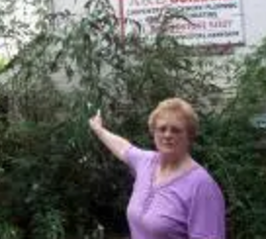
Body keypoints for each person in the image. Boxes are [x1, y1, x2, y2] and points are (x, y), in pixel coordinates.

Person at [89, 97, 226, 239]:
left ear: (189, 135)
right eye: (162, 129)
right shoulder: (146, 162)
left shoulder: (202, 186)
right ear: (153, 133)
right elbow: (124, 148)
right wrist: (99, 130)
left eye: (176, 130)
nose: (167, 135)